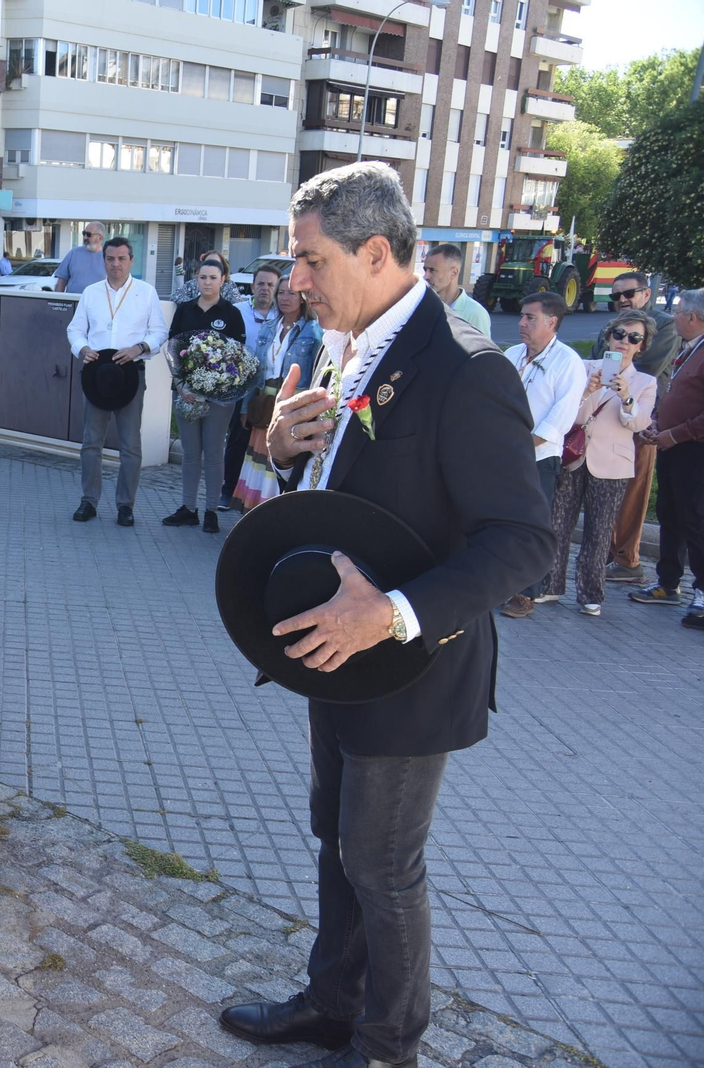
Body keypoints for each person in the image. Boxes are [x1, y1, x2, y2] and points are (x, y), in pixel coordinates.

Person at [224, 162, 554, 1068]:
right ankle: (333, 1004)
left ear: (375, 253)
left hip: (412, 667)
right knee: (337, 845)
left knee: (383, 865)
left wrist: (395, 613)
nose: (294, 278)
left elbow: (525, 541)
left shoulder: (464, 368)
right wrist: (289, 451)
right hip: (336, 656)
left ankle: (387, 1046)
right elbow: (352, 494)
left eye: (309, 258)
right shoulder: (350, 341)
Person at [539, 311, 657, 617]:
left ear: (641, 346)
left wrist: (626, 395)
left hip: (612, 464)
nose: (624, 342)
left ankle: (591, 593)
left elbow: (638, 424)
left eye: (634, 338)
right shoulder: (584, 368)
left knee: (599, 531)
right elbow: (569, 416)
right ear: (608, 336)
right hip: (575, 458)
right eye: (619, 334)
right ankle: (550, 586)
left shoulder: (645, 382)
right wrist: (587, 391)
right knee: (558, 524)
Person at [497, 292, 590, 618]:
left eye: (530, 318)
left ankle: (527, 594)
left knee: (531, 526)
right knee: (496, 521)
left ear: (552, 322)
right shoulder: (511, 354)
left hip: (537, 459)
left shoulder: (567, 362)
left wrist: (515, 446)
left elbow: (558, 422)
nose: (521, 323)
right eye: (522, 316)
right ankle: (497, 584)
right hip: (502, 454)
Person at [66, 237, 167, 527]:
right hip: (96, 376)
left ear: (131, 261)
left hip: (129, 376)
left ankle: (125, 505)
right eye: (110, 259)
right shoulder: (91, 293)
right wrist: (83, 349)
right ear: (104, 260)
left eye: (122, 259)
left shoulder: (146, 293)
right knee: (90, 443)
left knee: (130, 446)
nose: (116, 264)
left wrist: (139, 348)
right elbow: (75, 329)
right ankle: (89, 501)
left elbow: (159, 332)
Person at [595, 271, 680, 585]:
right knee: (602, 490)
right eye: (615, 296)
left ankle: (628, 560)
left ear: (647, 293)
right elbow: (596, 361)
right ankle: (603, 551)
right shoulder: (613, 326)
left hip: (643, 421)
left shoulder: (664, 325)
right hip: (604, 417)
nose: (621, 300)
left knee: (633, 492)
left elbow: (644, 369)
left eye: (628, 293)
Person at [629, 288, 704, 625]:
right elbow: (679, 395)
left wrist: (674, 434)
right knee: (670, 513)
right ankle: (668, 583)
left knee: (695, 520)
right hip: (673, 447)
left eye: (677, 313)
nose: (672, 318)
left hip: (694, 451)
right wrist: (657, 423)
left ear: (692, 317)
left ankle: (701, 592)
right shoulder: (689, 349)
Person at [164, 259, 246, 533]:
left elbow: (238, 357)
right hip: (186, 395)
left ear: (223, 279)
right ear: (196, 280)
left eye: (213, 277)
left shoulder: (232, 314)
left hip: (218, 399)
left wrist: (216, 387)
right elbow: (172, 349)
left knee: (213, 454)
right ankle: (189, 508)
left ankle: (211, 510)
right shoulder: (185, 310)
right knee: (190, 455)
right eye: (202, 277)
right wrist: (180, 385)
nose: (207, 282)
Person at [231, 276, 319, 512]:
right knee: (260, 463)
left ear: (303, 297)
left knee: (280, 463)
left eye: (291, 293)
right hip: (265, 406)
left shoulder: (313, 330)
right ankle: (254, 514)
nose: (285, 298)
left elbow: (317, 372)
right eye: (281, 293)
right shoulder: (270, 327)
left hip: (292, 408)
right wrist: (246, 408)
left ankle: (274, 515)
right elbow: (256, 371)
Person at [221, 264, 281, 510]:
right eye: (261, 284)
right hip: (241, 388)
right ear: (252, 286)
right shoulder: (237, 312)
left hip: (271, 390)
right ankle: (228, 491)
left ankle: (261, 499)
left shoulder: (284, 314)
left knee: (266, 447)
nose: (265, 289)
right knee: (237, 440)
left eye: (270, 285)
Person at [421, 242, 492, 335]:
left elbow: (483, 348)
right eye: (425, 270)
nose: (426, 276)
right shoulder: (422, 306)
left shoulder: (475, 313)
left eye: (432, 270)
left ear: (453, 273)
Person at [170, 250, 246, 304]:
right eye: (207, 262)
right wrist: (197, 304)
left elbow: (238, 304)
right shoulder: (193, 283)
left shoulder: (229, 285)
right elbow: (176, 296)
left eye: (216, 263)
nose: (207, 282)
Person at [54, 223, 105, 294]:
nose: (85, 237)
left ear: (100, 238)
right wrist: (57, 301)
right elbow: (61, 281)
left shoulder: (108, 257)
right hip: (73, 302)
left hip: (97, 303)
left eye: (88, 234)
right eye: (84, 233)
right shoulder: (74, 253)